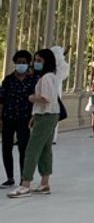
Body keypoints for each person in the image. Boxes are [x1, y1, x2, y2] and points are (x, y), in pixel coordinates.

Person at [7, 47, 62, 197]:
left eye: (39, 61)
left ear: (47, 62)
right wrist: (34, 115)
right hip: (47, 114)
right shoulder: (49, 76)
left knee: (32, 149)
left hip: (46, 115)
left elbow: (46, 98)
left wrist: (31, 98)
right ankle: (44, 183)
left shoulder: (46, 78)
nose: (36, 63)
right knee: (45, 149)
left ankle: (25, 184)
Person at [1, 50, 36, 188]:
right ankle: (10, 177)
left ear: (28, 64)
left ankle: (23, 176)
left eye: (24, 62)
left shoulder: (32, 80)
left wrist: (34, 117)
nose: (21, 65)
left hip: (25, 118)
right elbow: (1, 100)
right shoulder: (8, 80)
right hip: (8, 117)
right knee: (6, 147)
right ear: (15, 63)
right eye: (19, 62)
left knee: (24, 148)